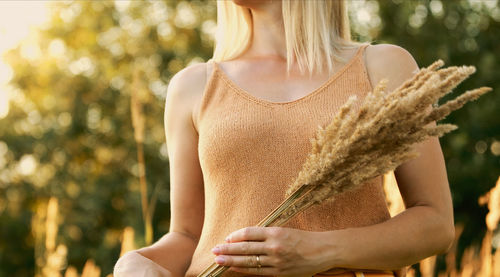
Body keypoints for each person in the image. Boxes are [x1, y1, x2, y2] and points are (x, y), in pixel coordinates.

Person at [113, 1, 455, 277]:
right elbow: (187, 236)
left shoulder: (383, 67)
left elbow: (435, 223)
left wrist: (321, 252)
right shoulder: (192, 86)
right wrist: (139, 263)